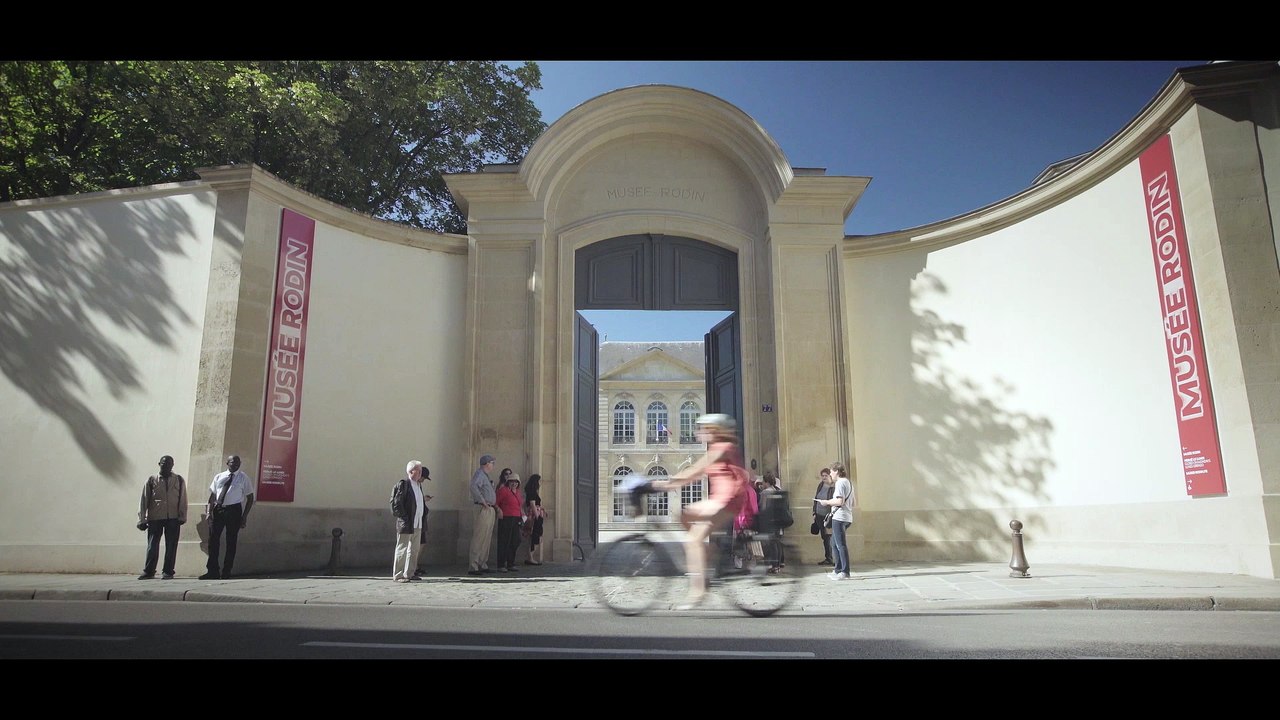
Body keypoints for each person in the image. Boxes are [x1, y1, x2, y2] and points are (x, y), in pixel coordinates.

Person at [651, 413, 751, 609]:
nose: (699, 432)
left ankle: (698, 592)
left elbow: (695, 471)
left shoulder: (723, 448)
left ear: (715, 431)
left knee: (692, 540)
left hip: (728, 500)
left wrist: (663, 484)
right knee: (685, 514)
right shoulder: (715, 448)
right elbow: (693, 476)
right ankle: (706, 553)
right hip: (718, 499)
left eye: (704, 429)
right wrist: (670, 484)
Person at [200, 454, 255, 580]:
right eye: (232, 462)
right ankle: (212, 571)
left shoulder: (243, 477)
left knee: (231, 541)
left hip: (234, 510)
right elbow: (213, 495)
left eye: (237, 463)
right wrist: (209, 512)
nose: (235, 464)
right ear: (227, 463)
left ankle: (226, 571)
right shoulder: (219, 477)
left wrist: (244, 516)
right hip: (219, 509)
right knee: (213, 540)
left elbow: (250, 498)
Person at [137, 455, 187, 579]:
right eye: (164, 463)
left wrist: (182, 516)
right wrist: (141, 519)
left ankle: (168, 571)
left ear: (172, 465)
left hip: (173, 518)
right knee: (152, 545)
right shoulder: (151, 480)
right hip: (155, 517)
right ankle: (149, 571)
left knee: (171, 545)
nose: (166, 466)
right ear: (159, 464)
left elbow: (183, 498)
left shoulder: (179, 480)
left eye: (169, 464)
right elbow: (144, 500)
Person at [390, 461, 432, 583]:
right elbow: (397, 504)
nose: (420, 473)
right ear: (410, 471)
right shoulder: (404, 484)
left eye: (420, 471)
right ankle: (398, 574)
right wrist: (404, 518)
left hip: (418, 522)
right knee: (402, 549)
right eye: (417, 471)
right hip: (407, 522)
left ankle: (410, 573)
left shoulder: (418, 485)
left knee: (414, 549)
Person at [818, 462, 855, 580]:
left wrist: (826, 502)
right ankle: (838, 569)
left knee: (840, 545)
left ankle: (845, 571)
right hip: (847, 516)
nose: (830, 474)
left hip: (839, 517)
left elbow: (840, 501)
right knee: (834, 543)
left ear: (837, 472)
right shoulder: (848, 482)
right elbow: (853, 502)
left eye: (831, 472)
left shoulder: (839, 483)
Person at [467, 453, 498, 576]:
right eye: (492, 463)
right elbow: (473, 486)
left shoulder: (485, 476)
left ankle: (482, 563)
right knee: (479, 537)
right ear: (486, 464)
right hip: (483, 508)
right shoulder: (479, 474)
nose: (493, 465)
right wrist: (482, 501)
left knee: (486, 538)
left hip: (489, 508)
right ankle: (473, 565)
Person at [494, 470, 524, 572]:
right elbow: (495, 502)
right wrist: (499, 510)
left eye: (516, 482)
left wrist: (523, 515)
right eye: (512, 481)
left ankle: (511, 562)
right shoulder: (503, 490)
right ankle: (501, 564)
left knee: (516, 540)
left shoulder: (518, 493)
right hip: (506, 517)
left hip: (516, 518)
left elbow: (519, 505)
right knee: (504, 541)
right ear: (508, 482)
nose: (514, 483)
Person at [812, 467, 835, 566]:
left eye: (826, 475)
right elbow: (816, 498)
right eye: (822, 476)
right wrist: (814, 512)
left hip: (828, 515)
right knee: (824, 536)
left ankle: (830, 558)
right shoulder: (821, 485)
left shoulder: (833, 487)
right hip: (819, 514)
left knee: (828, 537)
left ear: (830, 476)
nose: (824, 477)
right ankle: (828, 557)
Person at [522, 473, 546, 565]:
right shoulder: (532, 492)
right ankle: (530, 557)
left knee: (534, 536)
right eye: (539, 481)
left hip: (535, 514)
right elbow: (532, 505)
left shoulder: (531, 492)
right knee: (534, 536)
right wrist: (537, 517)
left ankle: (531, 557)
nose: (540, 483)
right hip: (534, 515)